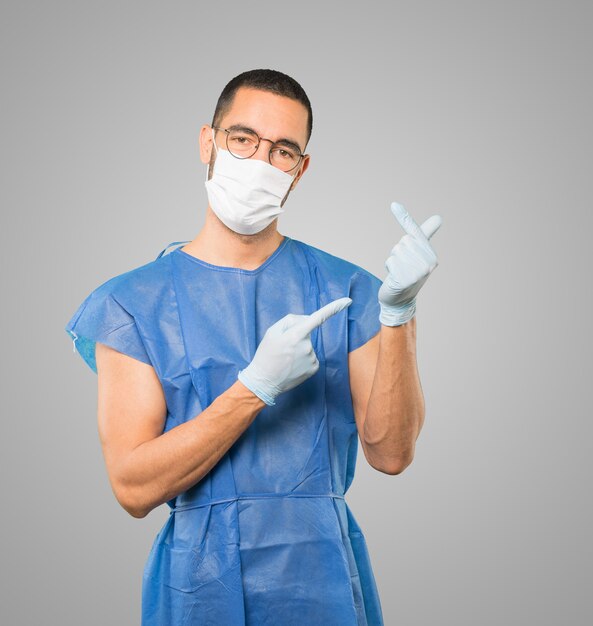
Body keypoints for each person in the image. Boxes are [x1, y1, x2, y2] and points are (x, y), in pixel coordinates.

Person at [65, 68, 442, 626]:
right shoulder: (132, 303)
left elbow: (390, 455)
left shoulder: (349, 291)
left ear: (300, 169)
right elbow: (133, 486)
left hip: (325, 579)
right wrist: (253, 388)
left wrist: (399, 316)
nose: (260, 163)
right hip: (200, 586)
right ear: (208, 142)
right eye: (242, 139)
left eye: (283, 150)